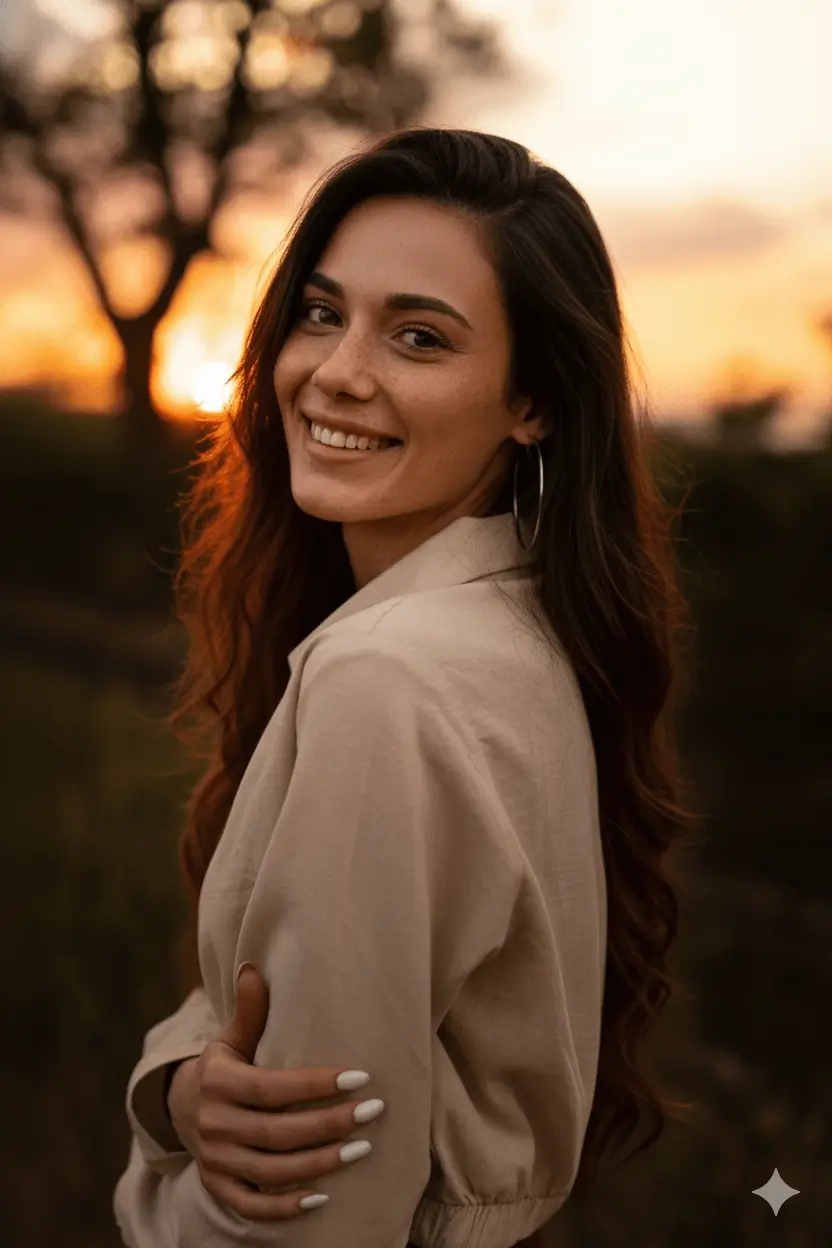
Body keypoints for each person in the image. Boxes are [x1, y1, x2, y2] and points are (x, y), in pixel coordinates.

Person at [113, 126, 695, 1248]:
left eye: (419, 337)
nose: (337, 370)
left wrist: (155, 1186)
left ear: (533, 403)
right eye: (322, 312)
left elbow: (298, 1213)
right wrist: (182, 1087)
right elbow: (258, 1044)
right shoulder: (511, 626)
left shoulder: (391, 681)